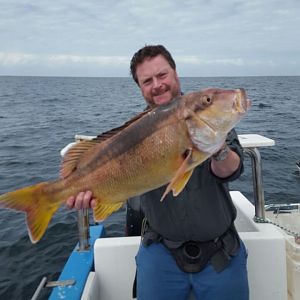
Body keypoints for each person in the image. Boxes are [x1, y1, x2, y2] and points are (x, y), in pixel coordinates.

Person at [66, 45, 249, 300]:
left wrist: (217, 148)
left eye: (162, 75)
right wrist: (87, 193)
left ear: (175, 73)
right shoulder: (134, 132)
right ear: (140, 87)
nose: (157, 85)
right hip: (160, 249)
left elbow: (232, 170)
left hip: (219, 248)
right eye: (147, 81)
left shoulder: (212, 124)